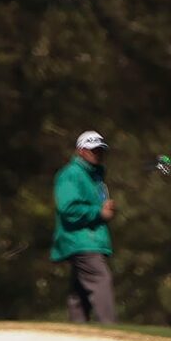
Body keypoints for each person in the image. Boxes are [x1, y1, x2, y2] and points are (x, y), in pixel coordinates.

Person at [52, 129, 117, 325]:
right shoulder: (71, 174)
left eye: (100, 150)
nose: (97, 153)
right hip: (80, 240)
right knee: (100, 278)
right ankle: (110, 328)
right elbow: (68, 208)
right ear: (81, 151)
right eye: (93, 149)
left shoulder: (94, 176)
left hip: (88, 239)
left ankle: (77, 330)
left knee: (79, 291)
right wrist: (99, 212)